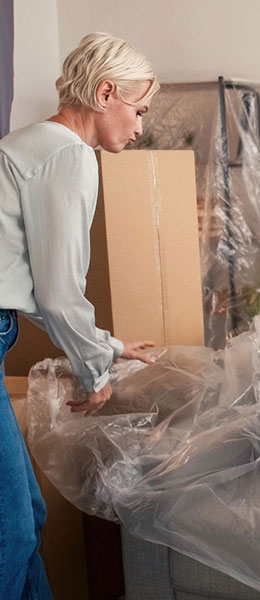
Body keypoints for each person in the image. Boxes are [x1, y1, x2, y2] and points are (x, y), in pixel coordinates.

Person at [0, 33, 160, 598]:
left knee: (26, 519)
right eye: (138, 110)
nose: (140, 127)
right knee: (11, 533)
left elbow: (36, 288)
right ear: (105, 92)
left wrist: (108, 346)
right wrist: (96, 375)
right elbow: (61, 292)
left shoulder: (27, 143)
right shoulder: (69, 154)